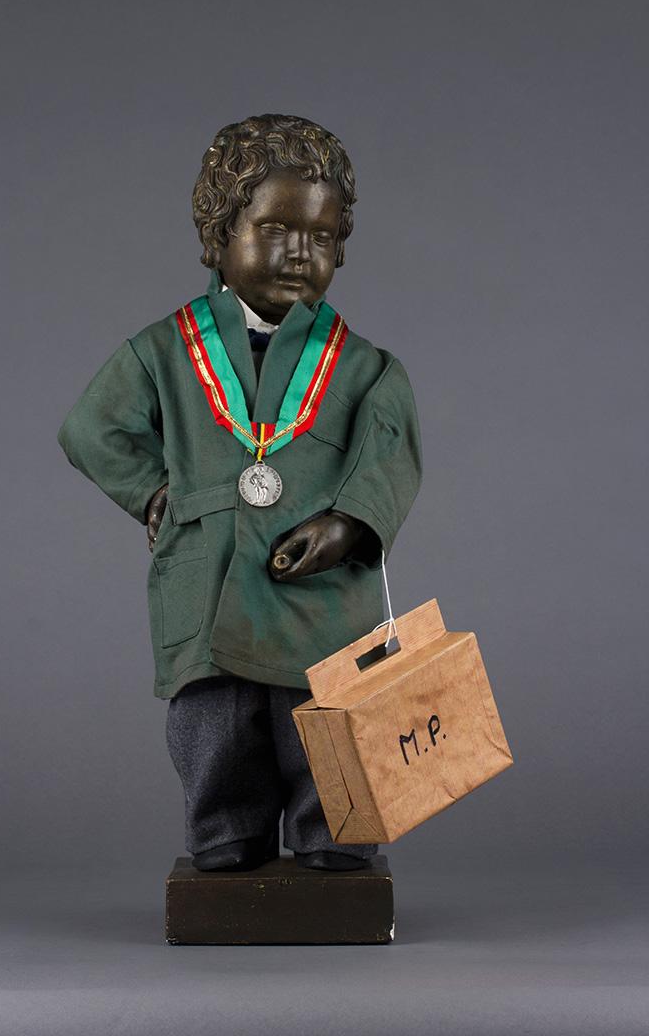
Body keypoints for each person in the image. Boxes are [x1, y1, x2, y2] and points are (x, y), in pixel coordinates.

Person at [58, 114, 422, 873]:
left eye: (321, 236)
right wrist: (152, 492)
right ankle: (226, 828)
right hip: (210, 580)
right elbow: (93, 429)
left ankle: (334, 830)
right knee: (214, 724)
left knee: (326, 718)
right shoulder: (165, 351)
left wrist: (350, 524)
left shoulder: (364, 367)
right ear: (219, 234)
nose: (299, 252)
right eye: (275, 228)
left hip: (322, 594)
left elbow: (391, 456)